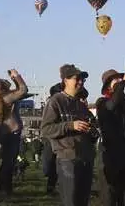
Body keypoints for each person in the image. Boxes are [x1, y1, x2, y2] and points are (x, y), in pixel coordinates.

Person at [41, 64, 97, 206]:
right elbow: (46, 129)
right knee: (71, 201)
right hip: (67, 159)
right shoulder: (56, 101)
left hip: (86, 158)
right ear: (65, 80)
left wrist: (93, 131)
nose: (80, 82)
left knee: (83, 201)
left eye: (82, 79)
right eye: (76, 78)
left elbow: (92, 130)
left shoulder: (81, 105)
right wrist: (71, 125)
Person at [95, 66, 125, 206]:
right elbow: (112, 106)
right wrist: (124, 81)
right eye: (114, 80)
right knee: (110, 199)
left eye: (119, 78)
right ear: (108, 87)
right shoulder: (102, 103)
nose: (119, 81)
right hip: (111, 160)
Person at [0, 69, 29, 198]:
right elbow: (23, 90)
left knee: (6, 162)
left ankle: (4, 188)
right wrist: (16, 76)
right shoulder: (7, 98)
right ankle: (5, 189)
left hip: (4, 133)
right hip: (12, 132)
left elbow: (19, 92)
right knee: (9, 163)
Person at [42, 83, 63, 195]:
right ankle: (51, 185)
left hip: (57, 136)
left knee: (54, 163)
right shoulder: (52, 104)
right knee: (50, 162)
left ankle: (52, 186)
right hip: (51, 137)